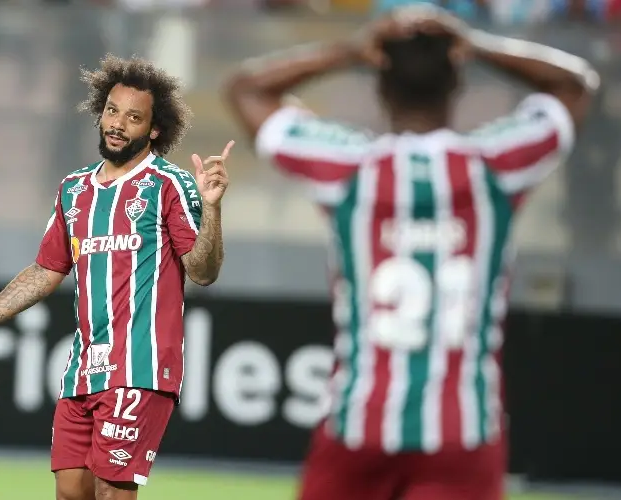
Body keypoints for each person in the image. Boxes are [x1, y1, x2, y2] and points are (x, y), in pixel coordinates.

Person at [224, 5, 598, 500]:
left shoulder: (348, 166)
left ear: (379, 87)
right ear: (457, 84)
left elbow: (247, 90)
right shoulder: (496, 166)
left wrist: (351, 50)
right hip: (462, 430)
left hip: (359, 424)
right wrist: (477, 43)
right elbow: (575, 86)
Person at [0, 54, 232, 500]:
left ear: (155, 129)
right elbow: (47, 268)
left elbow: (203, 272)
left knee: (112, 492)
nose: (118, 124)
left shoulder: (169, 184)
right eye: (111, 111)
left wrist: (213, 209)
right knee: (71, 491)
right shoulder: (75, 188)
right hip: (85, 367)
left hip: (139, 368)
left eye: (134, 117)